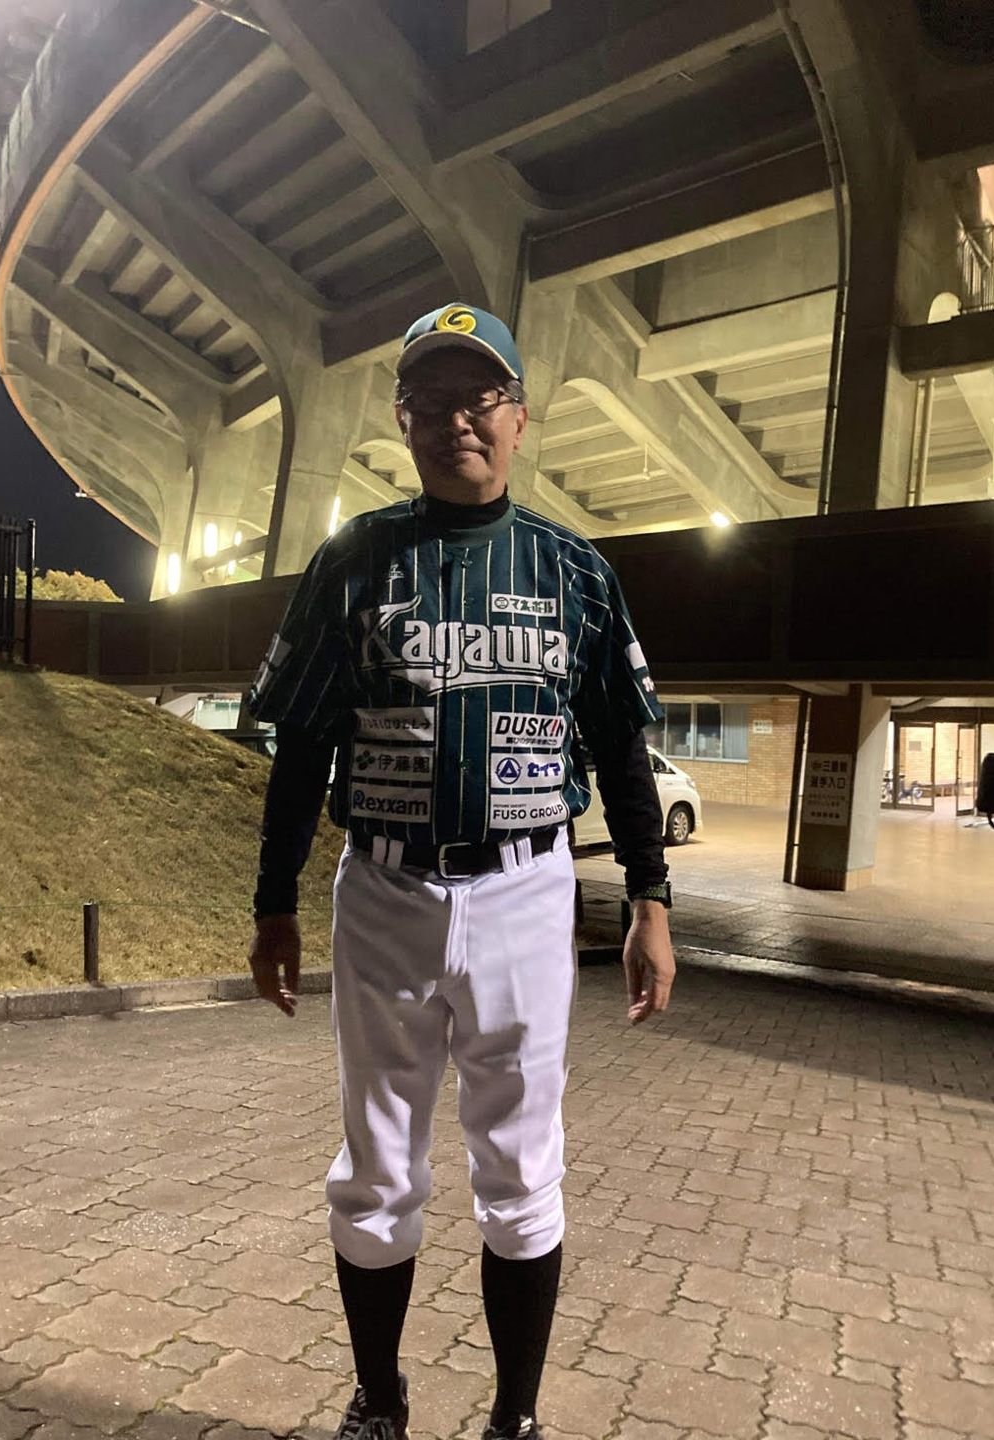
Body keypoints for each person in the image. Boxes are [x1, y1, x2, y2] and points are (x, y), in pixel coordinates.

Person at [246, 302, 676, 1440]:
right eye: (432, 400)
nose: (457, 421)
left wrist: (650, 898)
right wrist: (273, 903)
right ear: (402, 419)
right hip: (385, 888)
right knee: (377, 1165)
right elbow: (302, 742)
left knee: (522, 1167)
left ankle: (514, 1419)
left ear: (520, 417)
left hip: (527, 888)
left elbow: (620, 746)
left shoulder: (575, 570)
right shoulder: (351, 561)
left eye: (480, 398)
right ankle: (379, 1400)